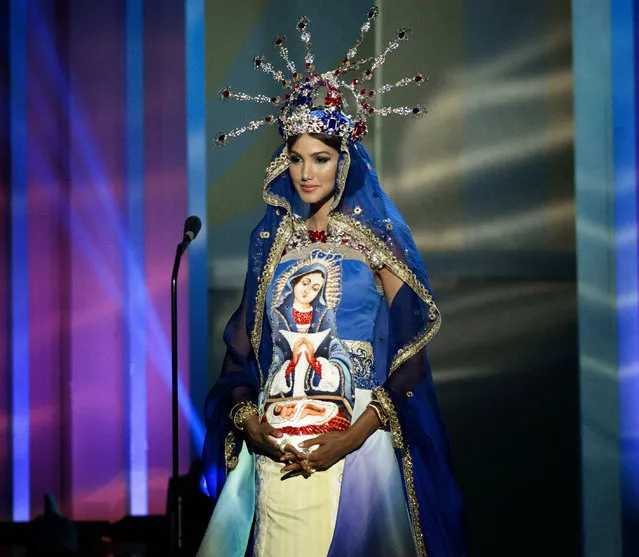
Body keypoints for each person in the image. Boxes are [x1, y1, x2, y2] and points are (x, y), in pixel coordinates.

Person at [198, 8, 465, 557]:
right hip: (274, 450)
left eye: (321, 158)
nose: (306, 172)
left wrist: (351, 437)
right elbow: (241, 357)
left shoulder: (376, 246)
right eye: (295, 159)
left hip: (354, 447)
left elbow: (411, 362)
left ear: (346, 161)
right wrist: (251, 427)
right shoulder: (271, 247)